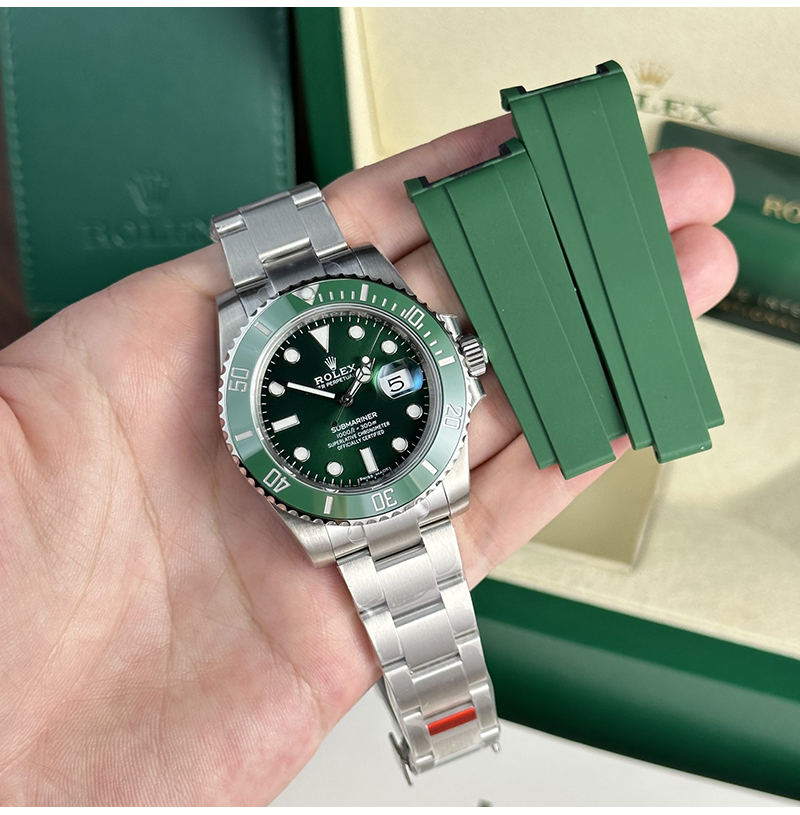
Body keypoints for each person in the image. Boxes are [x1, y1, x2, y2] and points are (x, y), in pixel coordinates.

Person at [0, 114, 736, 805]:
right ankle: (448, 725)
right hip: (348, 477)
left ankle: (446, 727)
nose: (347, 399)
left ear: (457, 352)